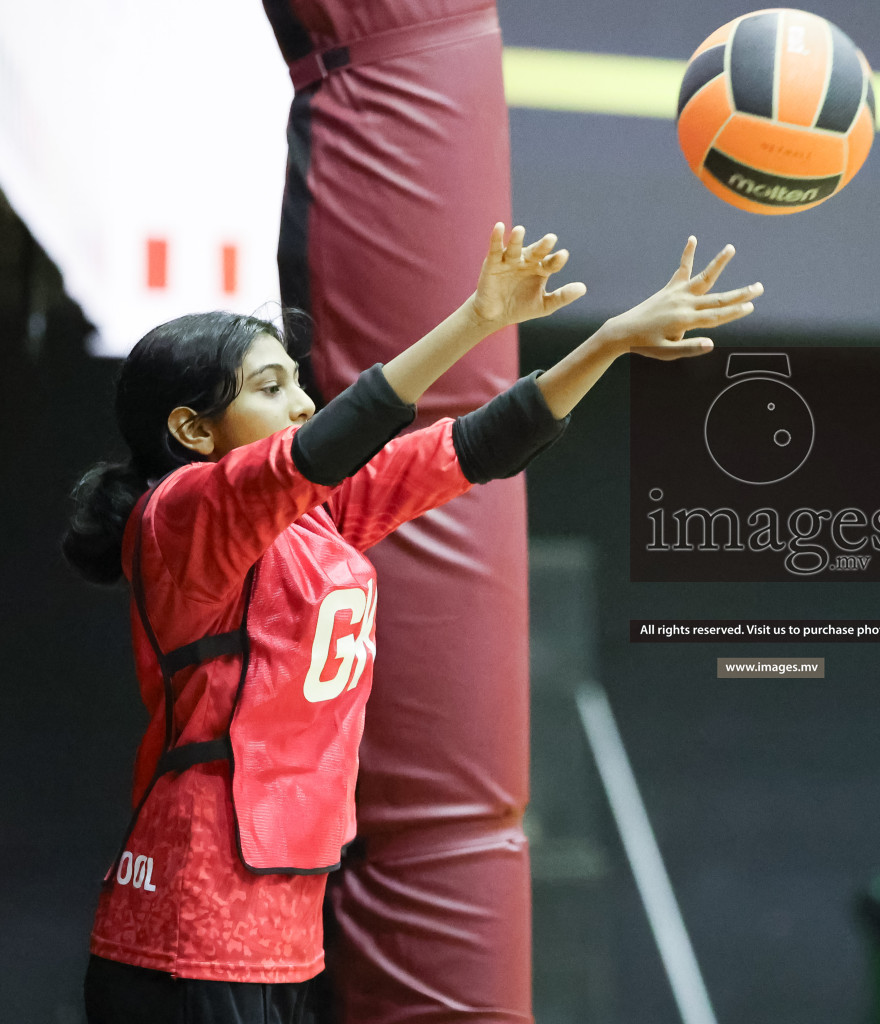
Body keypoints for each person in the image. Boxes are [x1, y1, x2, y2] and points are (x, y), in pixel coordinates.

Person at [61, 224, 760, 1023]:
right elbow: (340, 435)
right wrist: (476, 317)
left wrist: (608, 343)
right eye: (269, 387)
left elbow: (471, 446)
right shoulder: (179, 516)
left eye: (299, 380)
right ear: (192, 431)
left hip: (282, 926)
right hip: (185, 925)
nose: (300, 401)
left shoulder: (314, 521)